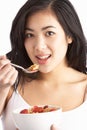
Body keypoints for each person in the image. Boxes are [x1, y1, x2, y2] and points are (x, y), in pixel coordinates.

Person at [0, 0, 87, 130]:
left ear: (69, 35)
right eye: (29, 35)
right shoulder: (8, 86)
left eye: (49, 33)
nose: (39, 47)